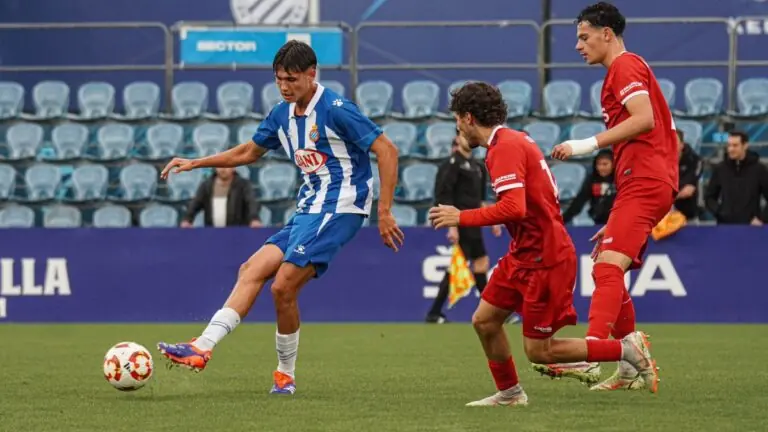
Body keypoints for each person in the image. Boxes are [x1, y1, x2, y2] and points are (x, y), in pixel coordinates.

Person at [156, 40, 404, 395]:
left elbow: (387, 149)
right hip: (308, 210)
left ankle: (284, 376)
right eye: (279, 80)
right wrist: (195, 163)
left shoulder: (336, 109)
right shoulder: (281, 115)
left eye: (291, 79)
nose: (285, 86)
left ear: (311, 74)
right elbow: (247, 151)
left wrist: (384, 210)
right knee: (251, 270)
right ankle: (202, 347)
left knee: (283, 285)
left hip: (342, 208)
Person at [429, 81, 658, 407]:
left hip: (545, 259)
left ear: (468, 118)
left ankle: (626, 350)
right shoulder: (510, 141)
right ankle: (510, 394)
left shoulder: (505, 147)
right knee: (484, 320)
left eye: (456, 120)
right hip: (523, 253)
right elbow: (522, 208)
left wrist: (461, 216)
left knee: (540, 350)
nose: (456, 128)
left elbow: (515, 207)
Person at [545, 1, 678, 391]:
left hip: (646, 181)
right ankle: (630, 367)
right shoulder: (623, 69)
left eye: (584, 37)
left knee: (604, 270)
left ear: (607, 33)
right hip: (641, 183)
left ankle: (591, 356)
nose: (578, 46)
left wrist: (584, 144)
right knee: (607, 264)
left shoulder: (625, 66)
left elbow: (644, 119)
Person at [426, 133, 501, 323]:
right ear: (458, 139)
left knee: (480, 264)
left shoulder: (478, 166)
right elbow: (444, 196)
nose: (469, 139)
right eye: (464, 136)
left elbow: (481, 199)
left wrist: (493, 221)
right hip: (460, 220)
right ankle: (491, 312)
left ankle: (435, 312)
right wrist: (451, 226)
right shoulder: (452, 164)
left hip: (474, 221)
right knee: (466, 264)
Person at [705, 131, 768, 225]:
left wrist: (762, 219)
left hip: (751, 228)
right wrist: (720, 212)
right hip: (725, 227)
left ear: (745, 145)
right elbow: (709, 197)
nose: (730, 149)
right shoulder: (720, 169)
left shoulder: (759, 169)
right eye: (729, 145)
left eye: (735, 145)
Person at [180, 167, 264, 228]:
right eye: (220, 165)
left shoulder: (243, 184)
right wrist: (187, 220)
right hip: (212, 234)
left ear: (234, 167)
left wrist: (254, 219)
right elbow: (196, 203)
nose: (223, 169)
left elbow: (251, 202)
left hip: (238, 233)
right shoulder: (206, 185)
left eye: (227, 165)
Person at [561, 149, 616, 225]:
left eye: (605, 164)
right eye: (598, 164)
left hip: (619, 222)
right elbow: (579, 202)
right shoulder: (592, 179)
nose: (601, 168)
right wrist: (562, 221)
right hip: (598, 223)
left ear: (613, 164)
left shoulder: (620, 179)